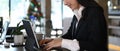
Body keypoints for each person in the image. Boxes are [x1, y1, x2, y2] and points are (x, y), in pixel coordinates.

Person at [39, 0, 108, 51]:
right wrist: (53, 41)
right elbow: (70, 36)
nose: (65, 3)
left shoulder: (95, 12)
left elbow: (96, 45)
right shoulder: (76, 13)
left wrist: (63, 43)